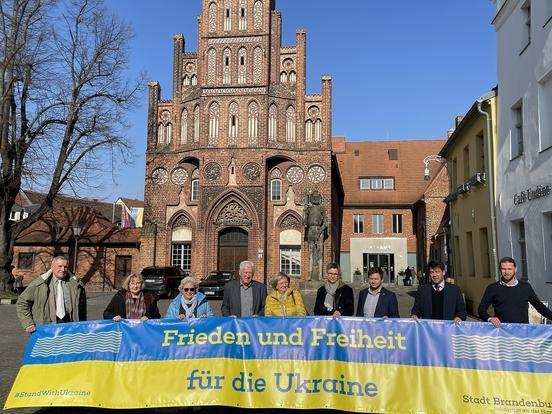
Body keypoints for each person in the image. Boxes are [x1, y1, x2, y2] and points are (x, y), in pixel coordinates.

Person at [16, 256, 86, 333]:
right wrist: (28, 323)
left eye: (65, 267)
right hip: (46, 326)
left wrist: (82, 326)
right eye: (60, 266)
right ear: (52, 267)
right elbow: (22, 303)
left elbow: (82, 309)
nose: (63, 270)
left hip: (69, 325)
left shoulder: (75, 285)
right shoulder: (39, 284)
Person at [478, 257, 552, 327]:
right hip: (502, 332)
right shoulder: (492, 288)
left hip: (522, 333)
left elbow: (539, 306)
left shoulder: (525, 287)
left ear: (515, 269)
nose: (506, 272)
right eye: (503, 269)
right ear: (500, 270)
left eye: (509, 269)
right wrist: (490, 319)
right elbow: (481, 309)